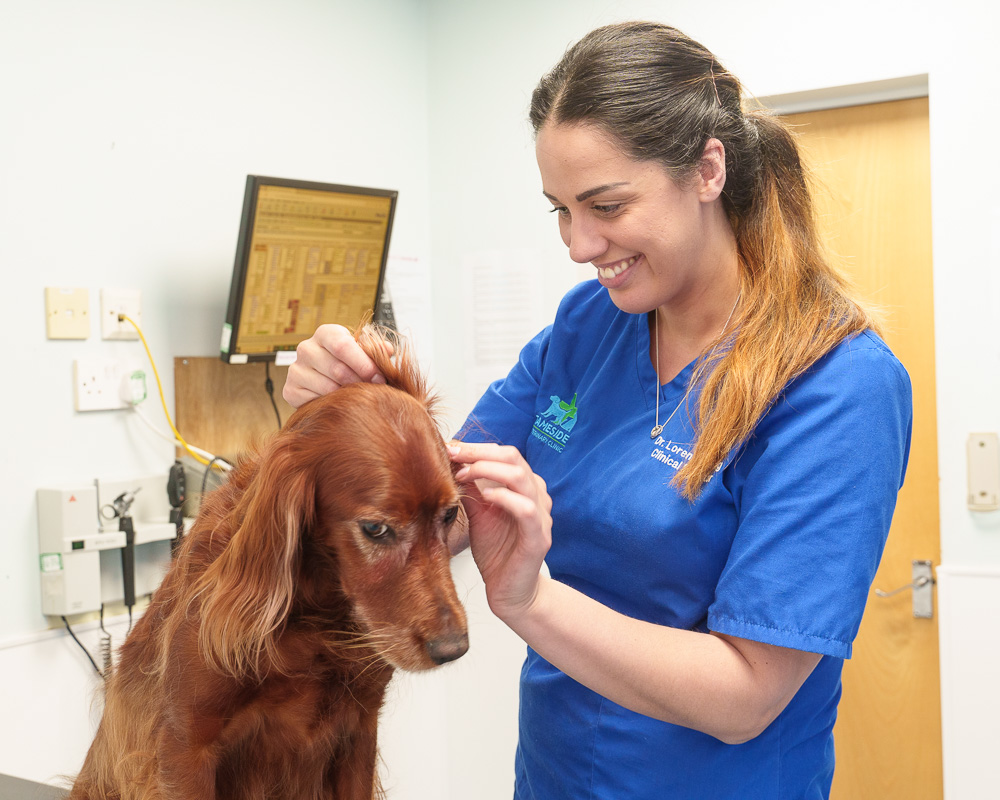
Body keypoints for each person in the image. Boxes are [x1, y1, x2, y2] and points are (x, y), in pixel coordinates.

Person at [283, 21, 912, 800]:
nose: (579, 244)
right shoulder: (590, 326)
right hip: (555, 778)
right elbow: (440, 512)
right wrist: (333, 417)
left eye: (605, 205)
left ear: (707, 170)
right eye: (559, 209)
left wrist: (532, 600)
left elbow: (746, 696)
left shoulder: (836, 385)